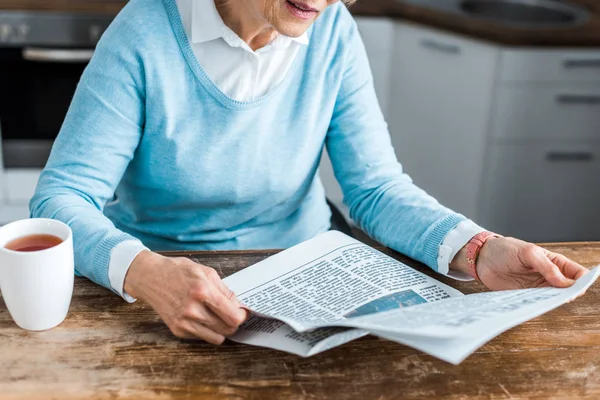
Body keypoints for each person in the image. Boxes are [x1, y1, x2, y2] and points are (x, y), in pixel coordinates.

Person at [31, 0, 588, 345]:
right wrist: (148, 273)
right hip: (177, 294)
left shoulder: (333, 30)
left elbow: (375, 188)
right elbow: (61, 199)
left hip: (310, 278)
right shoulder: (144, 34)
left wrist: (478, 247)